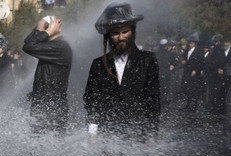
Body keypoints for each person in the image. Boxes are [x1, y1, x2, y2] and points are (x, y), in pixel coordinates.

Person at [83, 3, 160, 135]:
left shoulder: (147, 60)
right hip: (107, 134)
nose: (121, 37)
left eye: (125, 32)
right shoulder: (99, 64)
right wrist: (92, 133)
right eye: (115, 33)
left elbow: (152, 99)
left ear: (132, 31)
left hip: (138, 133)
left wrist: (151, 132)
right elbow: (92, 100)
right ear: (108, 35)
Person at [22, 15, 72, 131]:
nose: (37, 35)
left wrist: (48, 31)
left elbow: (28, 46)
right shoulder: (51, 45)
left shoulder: (61, 46)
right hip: (43, 106)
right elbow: (27, 41)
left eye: (39, 32)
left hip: (52, 110)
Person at [180, 32, 205, 112]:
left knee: (194, 89)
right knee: (187, 89)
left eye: (191, 43)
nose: (190, 44)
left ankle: (194, 106)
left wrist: (196, 70)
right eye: (189, 43)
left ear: (195, 43)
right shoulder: (187, 50)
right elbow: (184, 57)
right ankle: (188, 104)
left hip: (195, 73)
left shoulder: (199, 51)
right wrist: (184, 61)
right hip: (187, 71)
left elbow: (201, 62)